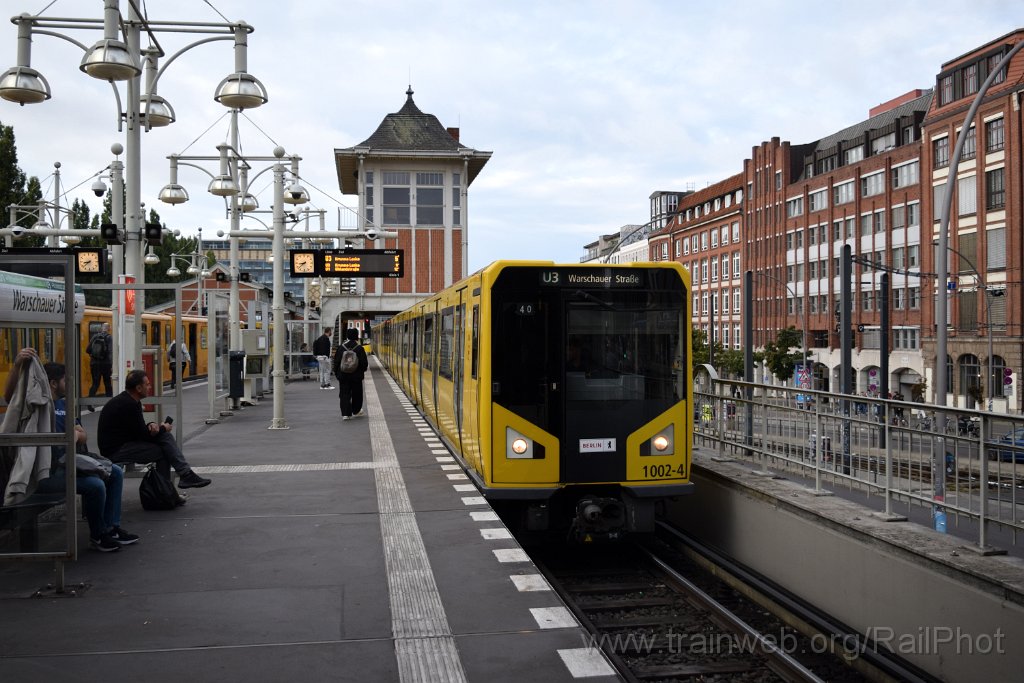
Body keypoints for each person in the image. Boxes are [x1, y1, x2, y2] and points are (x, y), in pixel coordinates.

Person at [4, 350, 137, 552]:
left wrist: (73, 436)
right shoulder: (38, 404)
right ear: (54, 383)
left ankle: (111, 527)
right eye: (65, 379)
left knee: (115, 472)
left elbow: (82, 434)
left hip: (65, 463)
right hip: (46, 472)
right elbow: (10, 396)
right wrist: (17, 366)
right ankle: (98, 534)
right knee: (95, 485)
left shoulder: (65, 404)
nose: (69, 383)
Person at [97, 369, 210, 492]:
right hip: (116, 450)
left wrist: (151, 425)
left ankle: (177, 483)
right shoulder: (129, 404)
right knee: (163, 450)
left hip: (123, 444)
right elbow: (143, 436)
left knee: (165, 441)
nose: (150, 387)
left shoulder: (128, 401)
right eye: (147, 384)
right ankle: (168, 490)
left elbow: (137, 430)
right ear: (139, 388)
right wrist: (163, 428)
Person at [332, 327, 368, 420]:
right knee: (357, 393)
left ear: (347, 336)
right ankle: (356, 410)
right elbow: (364, 364)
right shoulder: (359, 348)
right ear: (356, 336)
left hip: (343, 375)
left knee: (344, 394)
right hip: (356, 376)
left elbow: (336, 362)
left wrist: (337, 373)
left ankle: (345, 414)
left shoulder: (341, 348)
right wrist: (361, 371)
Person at [86, 322, 113, 407]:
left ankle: (89, 403)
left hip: (94, 364)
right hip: (106, 364)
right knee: (107, 383)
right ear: (109, 329)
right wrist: (112, 364)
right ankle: (110, 403)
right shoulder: (109, 338)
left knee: (95, 384)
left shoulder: (94, 336)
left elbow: (88, 350)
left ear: (102, 328)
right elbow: (110, 352)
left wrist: (93, 355)